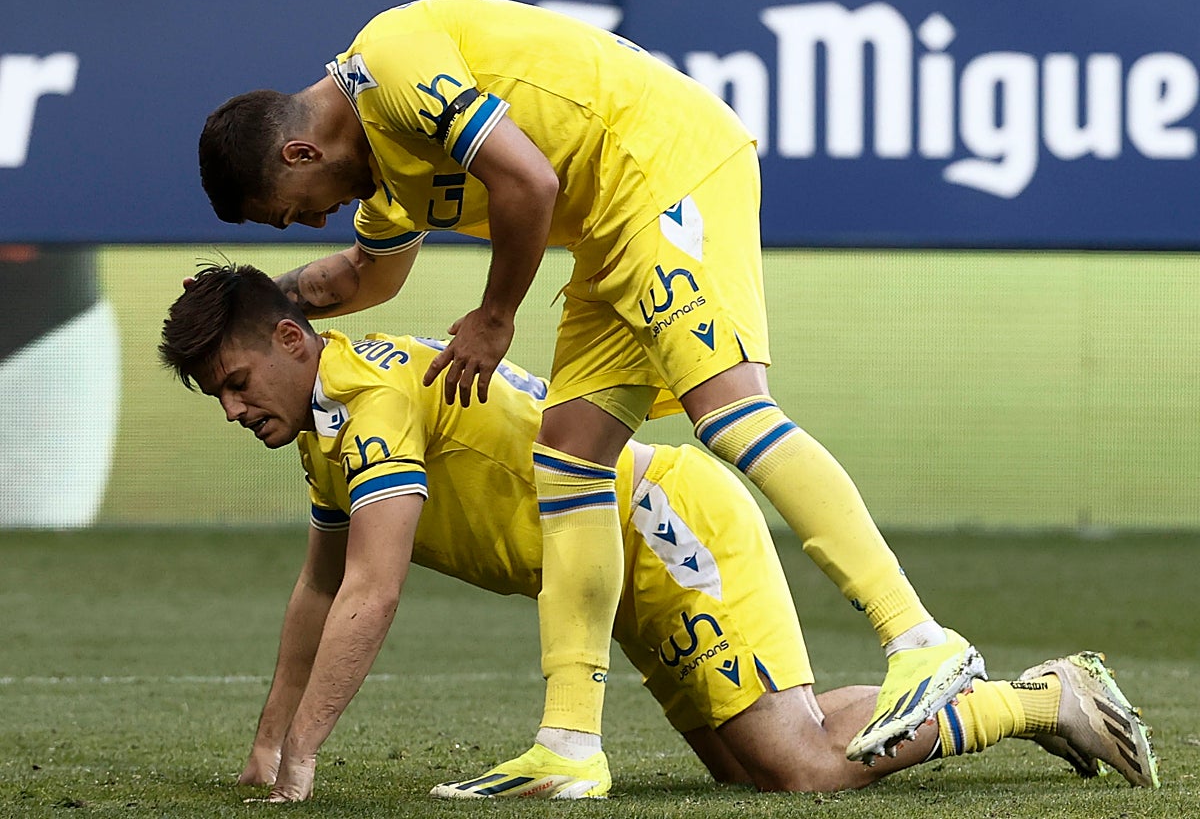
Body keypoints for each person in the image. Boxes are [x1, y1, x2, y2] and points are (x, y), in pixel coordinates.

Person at [196, 0, 984, 790]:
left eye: (287, 217)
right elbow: (369, 275)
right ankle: (570, 746)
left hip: (664, 170)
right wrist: (260, 309)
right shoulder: (384, 176)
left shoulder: (391, 63)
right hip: (606, 230)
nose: (307, 225)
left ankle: (918, 638)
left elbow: (528, 182)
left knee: (734, 416)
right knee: (569, 461)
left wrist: (495, 317)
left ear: (298, 153)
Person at [158, 265, 1160, 801]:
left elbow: (373, 591)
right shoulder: (328, 411)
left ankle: (1039, 702)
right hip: (617, 566)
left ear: (293, 339)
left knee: (799, 767)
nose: (234, 410)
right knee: (754, 764)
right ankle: (1022, 699)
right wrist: (268, 740)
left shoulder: (367, 401)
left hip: (659, 528)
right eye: (219, 398)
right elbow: (322, 588)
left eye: (238, 384)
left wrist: (306, 755)